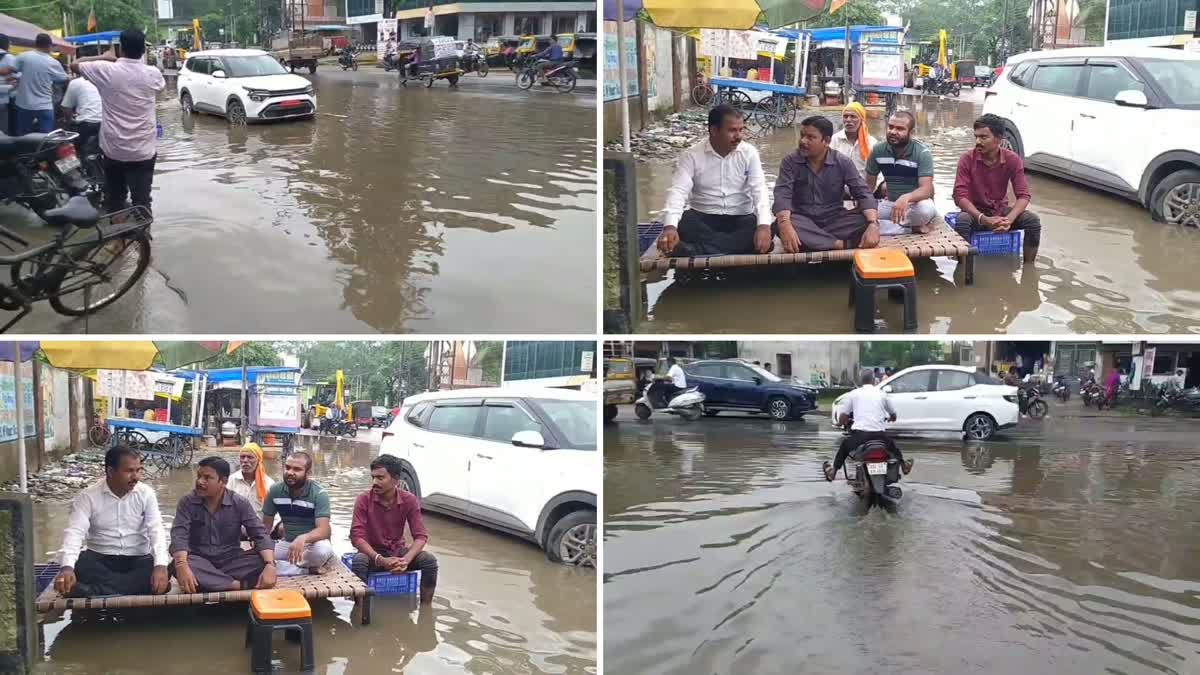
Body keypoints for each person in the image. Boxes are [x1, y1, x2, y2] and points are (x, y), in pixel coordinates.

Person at [656, 105, 774, 257]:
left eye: (741, 130)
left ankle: (697, 251)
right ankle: (736, 247)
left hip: (740, 218)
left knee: (770, 226)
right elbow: (679, 191)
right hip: (703, 218)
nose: (739, 136)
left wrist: (764, 226)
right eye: (732, 130)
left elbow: (759, 189)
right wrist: (670, 227)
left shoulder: (749, 153)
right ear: (714, 130)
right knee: (683, 223)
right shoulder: (691, 156)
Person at [70, 29, 166, 215]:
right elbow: (160, 87)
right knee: (142, 200)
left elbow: (74, 65)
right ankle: (144, 235)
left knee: (116, 198)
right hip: (142, 150)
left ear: (120, 48)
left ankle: (118, 238)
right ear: (143, 51)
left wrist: (104, 56)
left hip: (113, 148)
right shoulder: (153, 74)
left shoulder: (105, 70)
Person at [53, 447, 170, 597]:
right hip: (100, 559)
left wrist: (160, 565)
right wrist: (67, 567)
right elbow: (75, 532)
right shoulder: (88, 496)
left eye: (138, 470)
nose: (136, 477)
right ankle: (129, 589)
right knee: (78, 565)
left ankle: (97, 591)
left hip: (137, 559)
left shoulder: (146, 493)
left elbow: (156, 529)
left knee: (167, 567)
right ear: (110, 471)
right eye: (129, 471)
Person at [773, 115, 881, 252]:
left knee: (865, 220)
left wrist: (873, 224)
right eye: (802, 136)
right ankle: (839, 245)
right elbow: (782, 194)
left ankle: (814, 241)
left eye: (810, 137)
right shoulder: (790, 162)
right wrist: (785, 224)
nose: (803, 141)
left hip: (834, 220)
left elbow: (863, 193)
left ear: (827, 141)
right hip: (803, 219)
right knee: (781, 224)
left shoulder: (842, 162)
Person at [170, 457, 278, 593]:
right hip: (199, 560)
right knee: (178, 564)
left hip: (231, 561)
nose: (199, 482)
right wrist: (181, 564)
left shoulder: (239, 503)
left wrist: (270, 565)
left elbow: (260, 534)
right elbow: (179, 535)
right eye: (199, 476)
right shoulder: (187, 502)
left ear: (224, 482)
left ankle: (211, 582)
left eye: (207, 478)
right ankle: (236, 585)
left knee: (262, 560)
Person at [952, 114, 1042, 263]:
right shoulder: (966, 159)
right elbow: (959, 195)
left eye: (983, 137)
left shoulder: (1012, 160)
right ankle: (963, 268)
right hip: (975, 212)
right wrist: (983, 219)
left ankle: (1028, 268)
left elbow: (1023, 195)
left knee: (1032, 221)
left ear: (999, 139)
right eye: (976, 137)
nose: (978, 141)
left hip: (1001, 211)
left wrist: (1009, 220)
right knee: (962, 221)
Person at [350, 455, 440, 603]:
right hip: (372, 553)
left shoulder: (409, 500)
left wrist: (406, 559)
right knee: (359, 561)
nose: (374, 482)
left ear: (396, 480)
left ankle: (425, 609)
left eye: (380, 478)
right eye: (373, 477)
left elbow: (420, 536)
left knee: (429, 561)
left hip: (398, 552)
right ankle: (360, 609)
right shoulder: (363, 499)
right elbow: (356, 537)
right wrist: (380, 559)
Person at [824, 369, 912, 481]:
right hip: (880, 435)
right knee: (893, 447)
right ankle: (904, 465)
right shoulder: (882, 394)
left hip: (861, 436)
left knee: (844, 445)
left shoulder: (853, 394)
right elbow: (893, 414)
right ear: (874, 380)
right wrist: (891, 418)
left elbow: (843, 416)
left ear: (861, 380)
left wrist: (843, 421)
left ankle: (833, 472)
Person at [262, 451, 335, 576]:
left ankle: (281, 567)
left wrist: (303, 538)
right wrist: (262, 546)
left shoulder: (319, 494)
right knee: (257, 557)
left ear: (308, 473)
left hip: (312, 546)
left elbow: (323, 530)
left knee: (321, 552)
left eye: (297, 469)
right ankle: (304, 570)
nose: (290, 472)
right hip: (287, 544)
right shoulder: (275, 491)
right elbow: (265, 527)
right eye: (287, 467)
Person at [865, 111, 938, 234]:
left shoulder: (922, 153)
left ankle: (886, 227)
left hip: (915, 206)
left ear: (911, 133)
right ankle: (908, 229)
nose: (893, 132)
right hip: (890, 204)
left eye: (900, 129)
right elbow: (868, 186)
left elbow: (926, 190)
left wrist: (906, 198)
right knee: (861, 216)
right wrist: (863, 204)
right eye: (891, 127)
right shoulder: (878, 150)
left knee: (925, 211)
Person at [0, 33, 68, 135]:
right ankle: (42, 150)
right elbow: (64, 78)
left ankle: (26, 150)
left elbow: (6, 71)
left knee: (23, 136)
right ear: (49, 46)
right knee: (45, 138)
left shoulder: (23, 57)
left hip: (24, 105)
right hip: (44, 106)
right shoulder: (53, 62)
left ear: (36, 44)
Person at [829, 102, 878, 179]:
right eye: (845, 116)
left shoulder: (872, 143)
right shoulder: (835, 140)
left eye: (853, 116)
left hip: (863, 186)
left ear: (862, 119)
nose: (848, 120)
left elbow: (876, 173)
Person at [60, 71, 103, 154]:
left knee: (77, 150)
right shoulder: (106, 80)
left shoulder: (76, 82)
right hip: (107, 123)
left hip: (86, 123)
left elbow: (66, 108)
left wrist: (69, 121)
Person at [228, 442, 275, 511]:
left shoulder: (268, 483)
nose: (245, 460)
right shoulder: (232, 480)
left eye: (250, 457)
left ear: (258, 460)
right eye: (242, 457)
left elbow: (274, 512)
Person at [0, 35, 18, 135]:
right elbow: (20, 74)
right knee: (7, 124)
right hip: (8, 96)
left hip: (7, 95)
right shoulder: (9, 58)